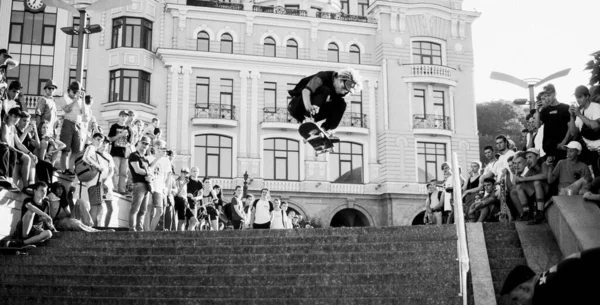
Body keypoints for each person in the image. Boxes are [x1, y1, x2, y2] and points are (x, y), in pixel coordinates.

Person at [500, 247, 600, 305]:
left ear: (524, 288)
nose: (519, 304)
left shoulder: (541, 294)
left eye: (516, 298)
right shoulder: (549, 277)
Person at [287, 68, 362, 138]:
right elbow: (306, 92)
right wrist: (309, 108)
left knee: (341, 103)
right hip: (297, 106)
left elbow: (336, 110)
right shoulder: (322, 77)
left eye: (346, 91)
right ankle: (309, 117)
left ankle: (325, 129)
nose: (343, 92)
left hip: (315, 113)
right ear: (339, 79)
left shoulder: (341, 93)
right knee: (325, 90)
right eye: (343, 88)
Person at [568, 85, 600, 176]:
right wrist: (572, 117)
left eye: (580, 97)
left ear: (587, 96)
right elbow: (573, 133)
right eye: (576, 97)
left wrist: (579, 114)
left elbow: (596, 126)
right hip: (591, 152)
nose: (578, 100)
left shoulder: (596, 107)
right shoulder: (580, 112)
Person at [513, 148, 551, 224]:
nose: (528, 160)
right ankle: (526, 212)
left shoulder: (543, 164)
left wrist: (525, 179)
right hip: (536, 195)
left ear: (537, 157)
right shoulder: (531, 169)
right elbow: (518, 182)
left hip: (547, 193)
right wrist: (517, 172)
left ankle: (540, 212)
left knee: (536, 182)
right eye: (526, 158)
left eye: (530, 157)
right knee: (519, 187)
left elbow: (544, 176)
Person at [1, 107, 36, 189]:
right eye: (14, 116)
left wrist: (30, 153)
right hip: (6, 149)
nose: (16, 119)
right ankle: (8, 179)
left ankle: (26, 186)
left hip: (12, 149)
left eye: (18, 117)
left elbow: (19, 143)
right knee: (13, 152)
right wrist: (14, 149)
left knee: (27, 158)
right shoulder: (4, 125)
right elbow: (5, 141)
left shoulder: (13, 128)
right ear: (9, 115)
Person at [11, 182, 55, 247]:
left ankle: (23, 243)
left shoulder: (46, 204)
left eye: (45, 191)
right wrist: (45, 215)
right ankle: (24, 238)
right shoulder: (28, 200)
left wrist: (52, 227)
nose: (44, 193)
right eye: (42, 190)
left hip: (37, 229)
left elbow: (47, 221)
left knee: (48, 233)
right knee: (31, 212)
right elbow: (30, 207)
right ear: (35, 191)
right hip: (23, 229)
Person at [536, 84, 571, 162]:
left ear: (555, 94)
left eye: (549, 95)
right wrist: (537, 111)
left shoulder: (565, 108)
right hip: (548, 148)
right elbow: (537, 126)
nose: (547, 98)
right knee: (550, 172)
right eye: (545, 96)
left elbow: (570, 128)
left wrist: (564, 142)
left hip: (562, 148)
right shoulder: (544, 110)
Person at [58, 81, 86, 175]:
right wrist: (74, 100)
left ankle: (71, 169)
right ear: (69, 90)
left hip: (78, 125)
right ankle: (63, 169)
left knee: (76, 150)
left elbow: (84, 113)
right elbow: (66, 109)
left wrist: (82, 99)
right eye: (74, 91)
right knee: (65, 148)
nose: (75, 93)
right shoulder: (63, 98)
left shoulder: (80, 100)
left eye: (77, 91)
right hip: (68, 122)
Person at [128, 136, 153, 231]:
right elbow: (137, 170)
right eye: (143, 142)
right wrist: (149, 173)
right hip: (139, 184)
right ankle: (132, 228)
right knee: (135, 208)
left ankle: (139, 229)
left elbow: (149, 169)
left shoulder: (145, 158)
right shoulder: (134, 155)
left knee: (143, 210)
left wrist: (150, 175)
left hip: (146, 185)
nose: (144, 145)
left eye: (146, 144)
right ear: (138, 143)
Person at [147, 139, 171, 231]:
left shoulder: (166, 161)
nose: (161, 149)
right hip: (150, 186)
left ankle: (151, 231)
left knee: (160, 211)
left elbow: (166, 176)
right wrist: (158, 158)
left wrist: (165, 188)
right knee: (149, 209)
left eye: (162, 147)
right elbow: (148, 169)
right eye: (159, 147)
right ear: (154, 148)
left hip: (159, 188)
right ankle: (146, 230)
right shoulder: (149, 158)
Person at [173, 167, 189, 231]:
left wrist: (187, 201)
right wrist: (184, 184)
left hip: (184, 201)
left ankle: (180, 230)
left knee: (183, 218)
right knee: (178, 217)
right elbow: (177, 192)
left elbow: (185, 194)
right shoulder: (177, 181)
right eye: (183, 172)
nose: (185, 174)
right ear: (181, 173)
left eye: (186, 173)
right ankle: (177, 230)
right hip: (178, 200)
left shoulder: (186, 182)